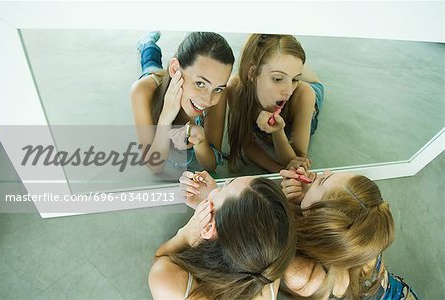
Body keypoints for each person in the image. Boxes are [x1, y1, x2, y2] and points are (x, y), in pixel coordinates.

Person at [148, 173, 296, 299]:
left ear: (208, 228)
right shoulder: (269, 264)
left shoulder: (172, 284)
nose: (223, 183)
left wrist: (186, 235)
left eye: (225, 186)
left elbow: (160, 260)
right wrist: (219, 211)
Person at [279, 168, 419, 299]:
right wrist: (308, 199)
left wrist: (285, 205)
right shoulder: (368, 228)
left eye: (322, 181)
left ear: (321, 220)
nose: (326, 171)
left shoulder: (302, 274)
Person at [131, 31, 234, 173]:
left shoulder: (218, 95)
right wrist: (165, 119)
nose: (208, 100)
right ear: (175, 70)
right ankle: (147, 44)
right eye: (200, 83)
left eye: (218, 88)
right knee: (150, 65)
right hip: (160, 83)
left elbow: (211, 166)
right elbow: (155, 166)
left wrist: (201, 141)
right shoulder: (142, 90)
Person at [227, 34, 324, 173]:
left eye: (295, 79)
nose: (289, 91)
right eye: (278, 79)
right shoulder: (235, 88)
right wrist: (281, 172)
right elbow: (248, 145)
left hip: (312, 93)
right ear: (252, 73)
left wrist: (278, 132)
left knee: (316, 83)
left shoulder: (303, 95)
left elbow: (296, 161)